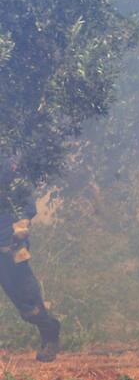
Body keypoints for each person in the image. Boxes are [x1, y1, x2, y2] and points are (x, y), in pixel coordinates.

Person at [0, 153, 61, 362]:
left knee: (29, 307)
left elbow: (26, 213)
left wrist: (20, 229)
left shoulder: (18, 187)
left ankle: (50, 332)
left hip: (11, 250)